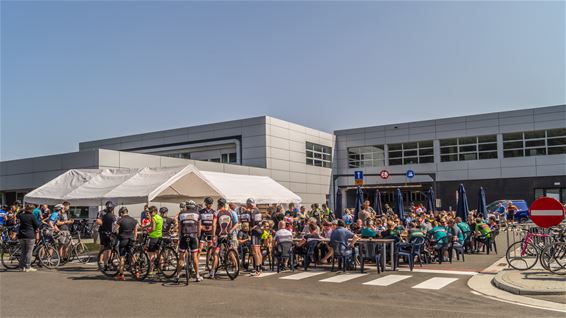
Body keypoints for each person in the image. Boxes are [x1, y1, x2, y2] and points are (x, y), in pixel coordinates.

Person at [176, 200, 202, 282]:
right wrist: (198, 236)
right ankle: (197, 276)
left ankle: (177, 275)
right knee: (194, 256)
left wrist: (179, 236)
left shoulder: (181, 214)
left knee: (181, 257)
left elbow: (179, 227)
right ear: (194, 207)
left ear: (186, 206)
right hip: (193, 236)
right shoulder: (197, 214)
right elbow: (199, 227)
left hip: (184, 235)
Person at [209, 198, 235, 279]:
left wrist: (213, 236)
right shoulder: (229, 213)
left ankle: (212, 272)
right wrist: (228, 231)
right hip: (226, 235)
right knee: (230, 250)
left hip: (218, 236)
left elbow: (213, 225)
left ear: (218, 204)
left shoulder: (217, 213)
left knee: (215, 253)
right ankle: (236, 267)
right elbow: (230, 224)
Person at [115, 207, 139, 281]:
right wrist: (134, 239)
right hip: (131, 239)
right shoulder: (133, 220)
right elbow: (135, 232)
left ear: (121, 213)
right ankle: (137, 271)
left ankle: (121, 275)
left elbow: (116, 230)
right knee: (133, 256)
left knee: (122, 257)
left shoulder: (120, 220)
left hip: (123, 239)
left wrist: (118, 235)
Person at [17, 204, 40, 272]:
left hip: (21, 235)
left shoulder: (21, 215)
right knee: (29, 252)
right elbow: (37, 225)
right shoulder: (32, 216)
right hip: (29, 235)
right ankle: (27, 266)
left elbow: (17, 215)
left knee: (23, 252)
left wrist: (21, 210)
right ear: (32, 210)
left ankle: (21, 267)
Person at [247, 198, 264, 277]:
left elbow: (255, 223)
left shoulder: (253, 211)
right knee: (258, 251)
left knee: (255, 251)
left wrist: (250, 228)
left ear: (250, 204)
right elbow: (259, 222)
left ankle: (257, 270)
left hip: (255, 232)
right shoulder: (258, 210)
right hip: (260, 232)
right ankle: (259, 268)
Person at [147, 206, 163, 276]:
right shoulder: (159, 217)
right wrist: (144, 226)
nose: (149, 214)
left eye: (150, 212)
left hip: (153, 237)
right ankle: (160, 269)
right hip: (159, 236)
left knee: (151, 254)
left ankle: (150, 270)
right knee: (159, 253)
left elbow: (153, 228)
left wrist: (148, 232)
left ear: (154, 211)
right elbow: (152, 224)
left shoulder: (153, 218)